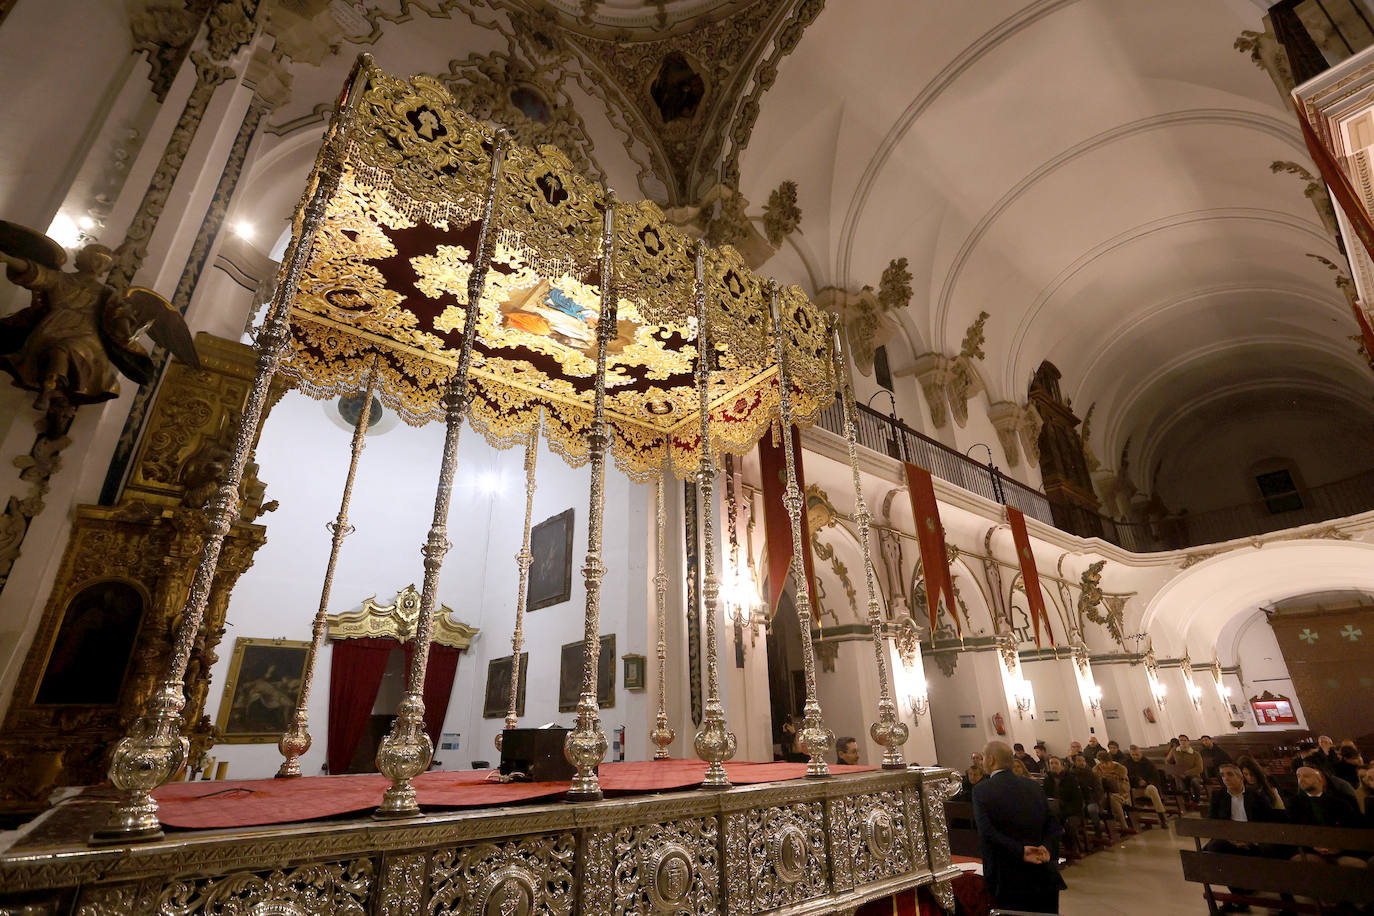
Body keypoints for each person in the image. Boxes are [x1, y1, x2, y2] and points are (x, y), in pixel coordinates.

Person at [970, 741, 1066, 913]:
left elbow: (987, 832)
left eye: (983, 758)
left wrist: (1021, 851)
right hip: (1043, 873)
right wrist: (1046, 847)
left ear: (991, 760)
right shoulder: (1033, 786)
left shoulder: (981, 790)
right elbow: (1053, 824)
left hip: (1008, 877)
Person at [1205, 763, 1278, 911]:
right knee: (1213, 850)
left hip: (1255, 839)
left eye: (1230, 774)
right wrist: (1230, 839)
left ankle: (1253, 891)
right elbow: (1212, 823)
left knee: (1271, 853)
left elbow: (1268, 822)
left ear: (1240, 777)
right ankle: (1239, 895)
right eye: (1223, 775)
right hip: (1229, 839)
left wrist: (1252, 840)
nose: (1225, 778)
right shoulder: (1218, 796)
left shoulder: (1256, 795)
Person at [1285, 767, 1367, 868]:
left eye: (1306, 776)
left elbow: (1353, 827)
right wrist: (1312, 845)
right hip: (1310, 849)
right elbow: (1294, 829)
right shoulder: (1295, 804)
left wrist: (1338, 847)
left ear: (1321, 779)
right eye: (1298, 776)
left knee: (1355, 865)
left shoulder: (1340, 802)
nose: (1301, 779)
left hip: (1341, 849)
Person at [1043, 756, 1087, 855]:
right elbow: (1046, 797)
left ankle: (1072, 849)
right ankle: (1053, 851)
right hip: (1055, 811)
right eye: (1051, 763)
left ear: (1062, 765)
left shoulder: (1071, 779)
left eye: (1056, 763)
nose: (1053, 765)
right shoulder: (1048, 780)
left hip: (1072, 811)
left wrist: (1064, 811)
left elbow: (1077, 801)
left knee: (1069, 825)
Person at [1069, 753, 1109, 838]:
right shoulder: (1071, 775)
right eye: (1079, 761)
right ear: (1074, 762)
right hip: (1078, 801)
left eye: (1083, 760)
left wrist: (1090, 800)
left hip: (1093, 800)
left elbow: (1098, 790)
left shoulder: (1091, 774)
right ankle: (1075, 834)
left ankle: (1097, 829)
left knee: (1092, 810)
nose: (1082, 763)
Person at [1125, 745, 1169, 820]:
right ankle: (1130, 818)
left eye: (1137, 755)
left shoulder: (1148, 763)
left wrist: (1146, 782)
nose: (1135, 757)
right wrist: (1137, 781)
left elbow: (1156, 778)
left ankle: (1161, 815)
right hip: (1133, 789)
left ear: (1141, 754)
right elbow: (1125, 777)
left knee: (1152, 789)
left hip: (1146, 788)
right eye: (1133, 755)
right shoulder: (1127, 764)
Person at [1094, 750, 1133, 831]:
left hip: (1121, 795)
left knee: (1113, 799)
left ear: (1110, 761)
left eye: (1106, 763)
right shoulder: (1096, 769)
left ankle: (1123, 825)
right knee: (1097, 801)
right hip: (1104, 796)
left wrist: (1112, 781)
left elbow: (1125, 787)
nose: (1103, 765)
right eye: (1101, 763)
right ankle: (1104, 826)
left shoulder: (1120, 769)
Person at [1167, 734, 1205, 801]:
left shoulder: (1195, 754)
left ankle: (1197, 800)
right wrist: (1172, 749)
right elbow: (1168, 762)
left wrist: (1185, 773)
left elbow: (1199, 768)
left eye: (1185, 740)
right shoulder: (1175, 752)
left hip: (1193, 775)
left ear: (1188, 742)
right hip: (1179, 775)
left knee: (1195, 782)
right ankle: (1186, 802)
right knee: (1180, 784)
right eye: (1181, 740)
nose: (1183, 742)